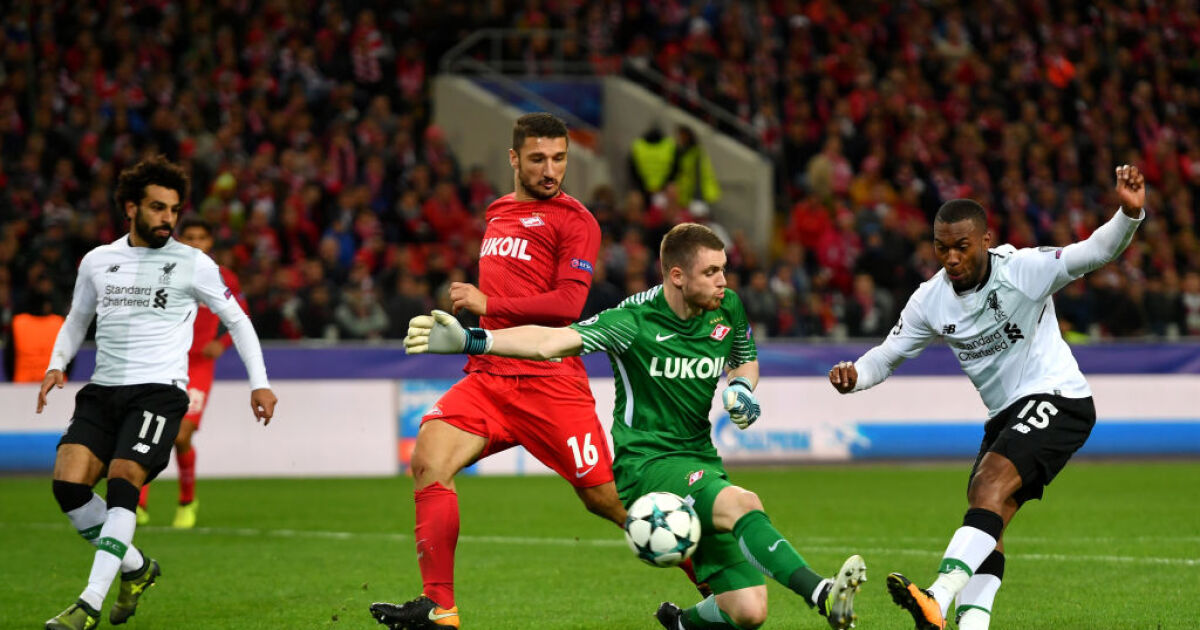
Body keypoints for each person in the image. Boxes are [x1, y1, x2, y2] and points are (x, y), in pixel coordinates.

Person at [404, 223, 868, 630]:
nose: (723, 281)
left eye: (724, 270)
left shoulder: (727, 307)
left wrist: (743, 388)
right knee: (742, 502)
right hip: (647, 464)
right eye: (711, 272)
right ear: (677, 276)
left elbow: (744, 360)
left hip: (701, 459)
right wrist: (473, 338)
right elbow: (550, 342)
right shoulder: (632, 321)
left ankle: (681, 622)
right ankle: (823, 594)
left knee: (748, 611)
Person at [827, 165, 1147, 630]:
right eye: (942, 248)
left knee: (988, 484)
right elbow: (888, 355)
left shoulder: (1023, 270)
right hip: (1005, 415)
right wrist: (855, 375)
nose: (951, 258)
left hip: (1058, 397)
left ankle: (936, 598)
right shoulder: (930, 299)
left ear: (985, 240)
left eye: (962, 246)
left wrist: (1128, 214)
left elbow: (1094, 251)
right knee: (986, 516)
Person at [370, 113, 630, 630]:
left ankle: (716, 581)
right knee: (429, 458)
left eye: (559, 158)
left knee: (606, 500)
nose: (550, 170)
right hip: (489, 379)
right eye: (537, 159)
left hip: (551, 383)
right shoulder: (498, 211)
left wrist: (488, 303)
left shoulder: (576, 222)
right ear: (514, 158)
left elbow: (567, 305)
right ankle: (439, 609)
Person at [38, 157, 277, 630]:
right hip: (103, 390)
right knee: (68, 485)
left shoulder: (193, 263)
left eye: (173, 209)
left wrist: (260, 382)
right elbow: (77, 318)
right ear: (131, 208)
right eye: (157, 208)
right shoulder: (97, 261)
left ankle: (88, 603)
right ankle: (137, 567)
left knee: (124, 479)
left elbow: (237, 320)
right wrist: (56, 363)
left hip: (159, 392)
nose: (168, 218)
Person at [136, 216, 250, 529]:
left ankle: (187, 501)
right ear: (179, 240)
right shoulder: (163, 273)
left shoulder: (224, 277)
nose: (196, 243)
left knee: (181, 434)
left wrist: (222, 343)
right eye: (190, 237)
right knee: (149, 430)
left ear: (210, 242)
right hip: (163, 362)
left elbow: (241, 316)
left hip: (198, 365)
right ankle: (138, 503)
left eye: (202, 237)